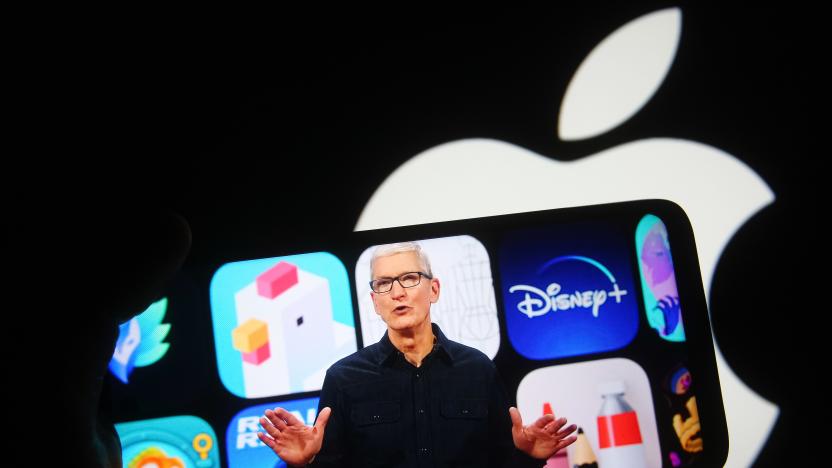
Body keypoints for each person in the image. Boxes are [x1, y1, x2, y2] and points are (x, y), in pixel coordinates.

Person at [258, 242, 577, 467]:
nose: (397, 292)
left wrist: (529, 458)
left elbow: (501, 460)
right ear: (374, 302)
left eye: (409, 278)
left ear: (434, 289)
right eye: (384, 283)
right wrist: (305, 463)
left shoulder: (477, 369)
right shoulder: (343, 379)